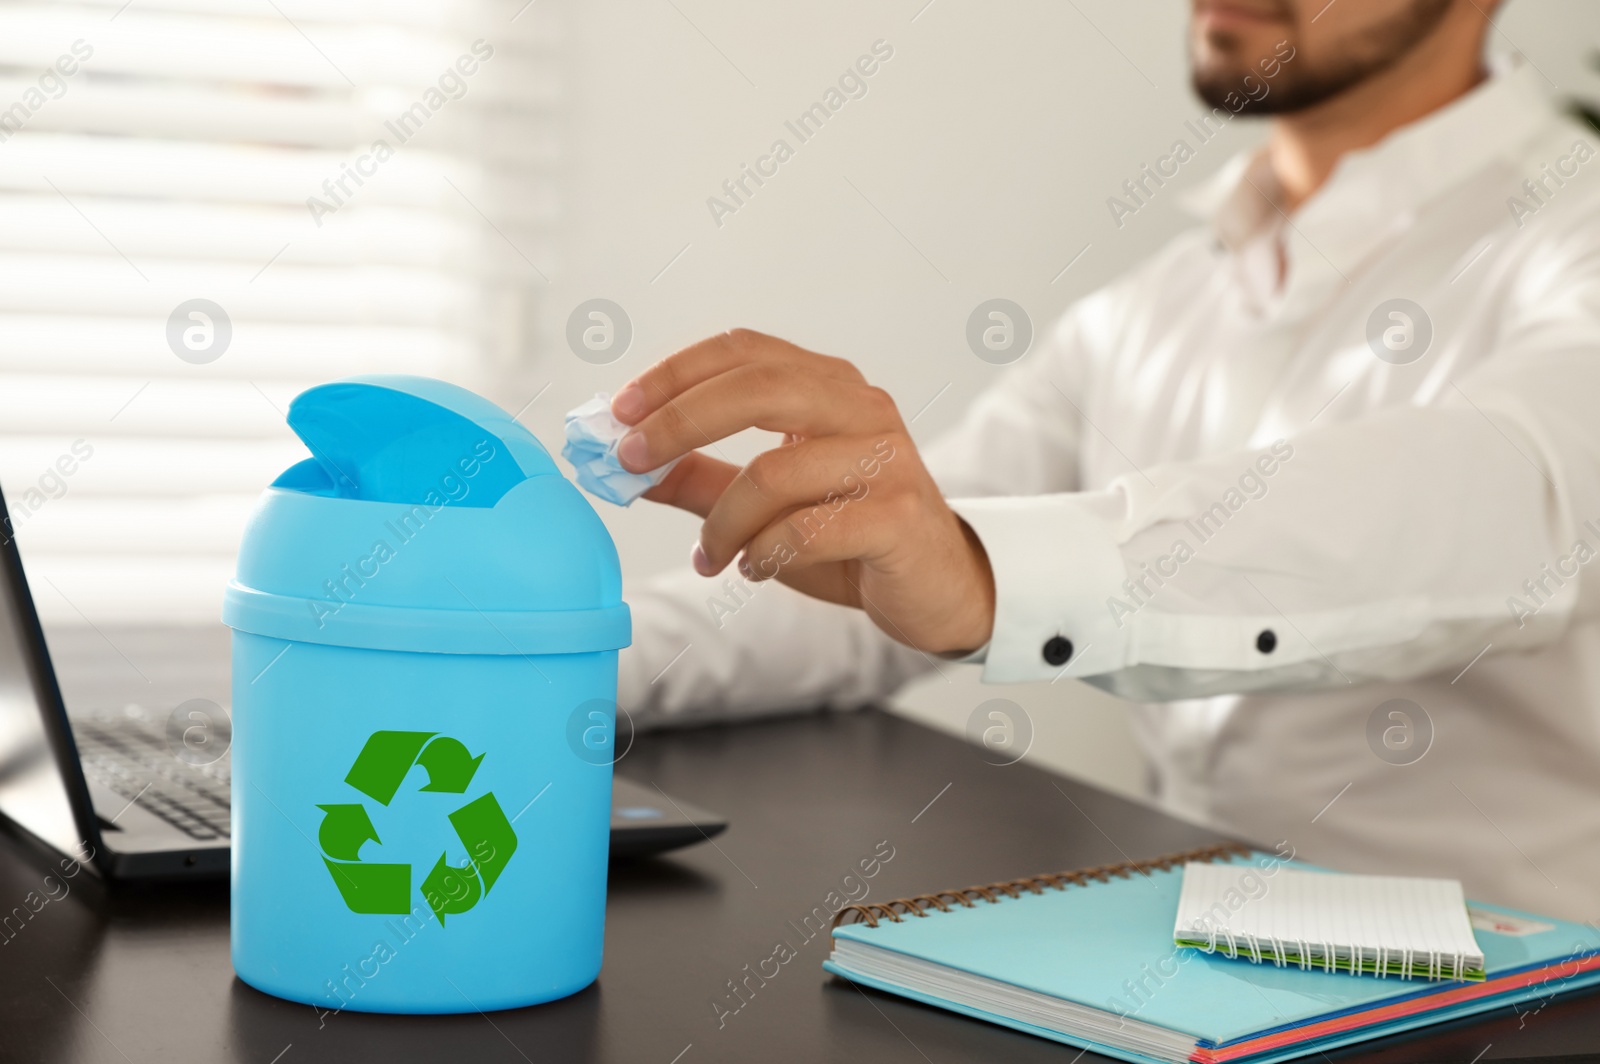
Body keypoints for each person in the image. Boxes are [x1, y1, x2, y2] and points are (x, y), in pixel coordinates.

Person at [611, 0, 1600, 922]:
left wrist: (989, 574)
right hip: (1187, 960)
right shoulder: (1149, 308)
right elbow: (889, 569)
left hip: (1526, 995)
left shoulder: (1575, 234)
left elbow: (1516, 492)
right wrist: (551, 654)